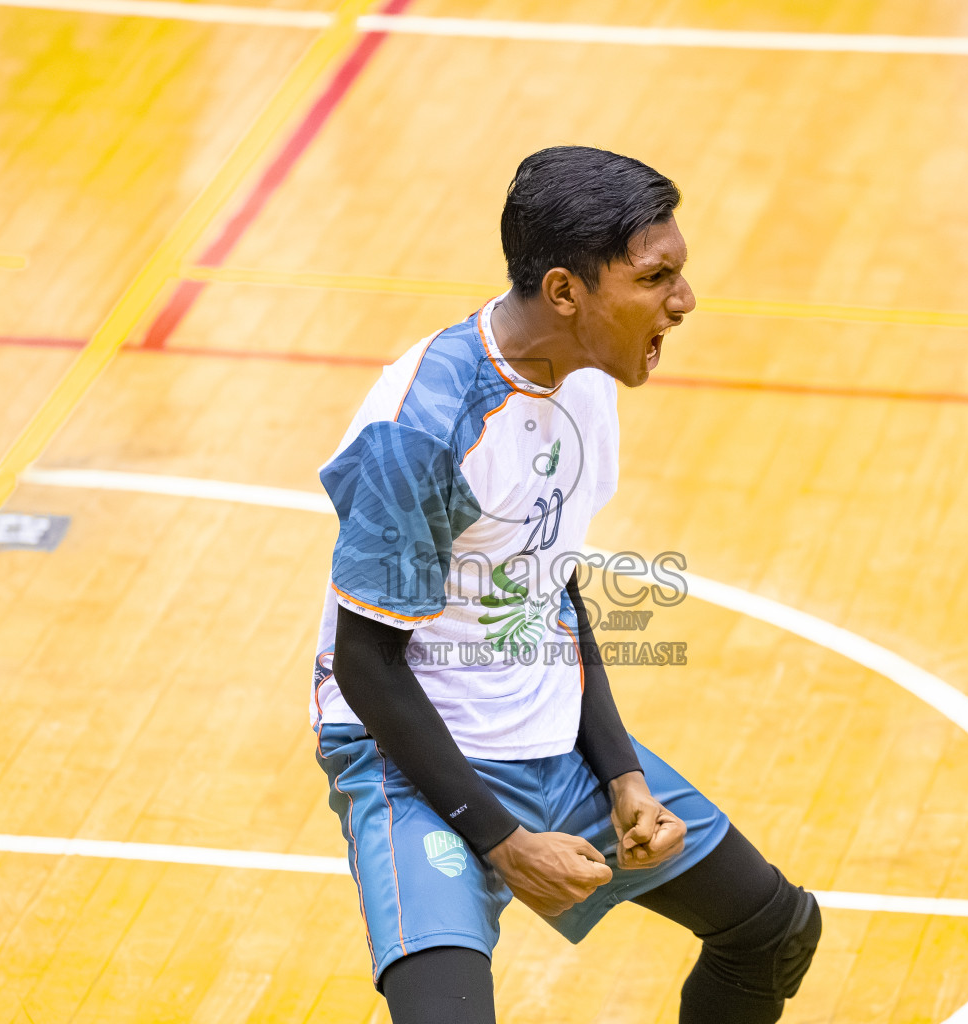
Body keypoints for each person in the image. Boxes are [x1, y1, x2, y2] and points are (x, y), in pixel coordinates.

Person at [311, 146, 820, 1023]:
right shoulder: (426, 427)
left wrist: (619, 770)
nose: (685, 301)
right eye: (656, 277)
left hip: (547, 733)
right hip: (414, 761)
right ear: (564, 292)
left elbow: (551, 585)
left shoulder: (585, 375)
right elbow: (367, 660)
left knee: (771, 930)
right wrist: (505, 845)